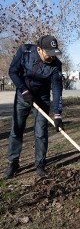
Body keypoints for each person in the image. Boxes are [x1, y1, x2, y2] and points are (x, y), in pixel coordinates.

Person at [3, 35, 64, 179]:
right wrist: (24, 91)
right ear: (39, 50)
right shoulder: (25, 52)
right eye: (48, 54)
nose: (52, 57)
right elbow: (13, 71)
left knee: (41, 132)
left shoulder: (56, 65)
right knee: (17, 130)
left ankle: (40, 165)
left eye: (54, 53)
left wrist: (57, 114)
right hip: (23, 95)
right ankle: (13, 163)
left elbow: (56, 89)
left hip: (42, 98)